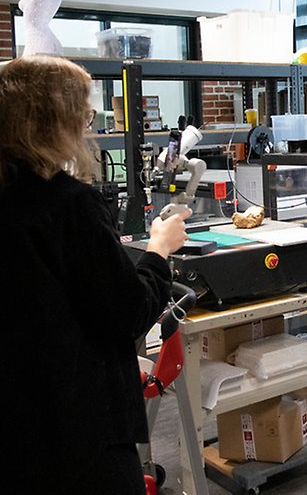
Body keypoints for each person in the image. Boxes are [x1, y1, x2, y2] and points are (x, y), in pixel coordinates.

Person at [0, 56, 190, 494]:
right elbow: (129, 315)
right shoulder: (69, 205)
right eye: (83, 114)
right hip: (79, 427)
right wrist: (160, 248)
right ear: (55, 121)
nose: (87, 126)